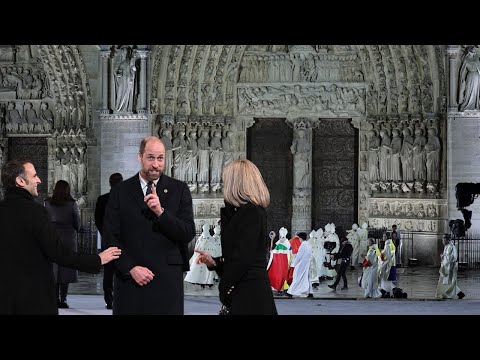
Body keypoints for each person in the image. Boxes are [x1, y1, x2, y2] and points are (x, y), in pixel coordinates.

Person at [0, 159, 121, 315]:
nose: (39, 180)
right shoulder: (36, 212)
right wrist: (97, 259)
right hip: (33, 300)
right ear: (20, 181)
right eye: (35, 176)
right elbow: (60, 254)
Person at [102, 136, 195, 315]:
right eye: (150, 158)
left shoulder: (179, 189)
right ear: (140, 157)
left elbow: (187, 232)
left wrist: (161, 213)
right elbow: (110, 236)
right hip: (130, 282)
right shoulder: (121, 191)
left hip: (166, 282)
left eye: (160, 158)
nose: (156, 164)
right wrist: (130, 268)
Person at [195, 159, 278, 315]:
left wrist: (225, 288)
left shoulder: (250, 213)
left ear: (236, 183)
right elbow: (238, 255)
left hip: (249, 292)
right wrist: (216, 263)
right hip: (248, 289)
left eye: (226, 180)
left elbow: (242, 258)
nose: (223, 184)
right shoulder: (244, 212)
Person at [44, 180, 80, 309]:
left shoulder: (48, 203)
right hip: (68, 239)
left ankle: (54, 298)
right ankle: (63, 298)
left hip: (52, 238)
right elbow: (77, 221)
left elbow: (44, 221)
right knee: (66, 269)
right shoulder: (71, 204)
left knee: (54, 269)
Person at [94, 172, 123, 309]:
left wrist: (105, 233)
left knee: (108, 270)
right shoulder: (126, 199)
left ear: (110, 183)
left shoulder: (102, 199)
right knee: (122, 269)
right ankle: (120, 298)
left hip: (108, 239)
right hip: (123, 240)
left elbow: (98, 220)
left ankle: (109, 299)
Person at [435, 234, 465, 300]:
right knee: (448, 281)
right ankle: (458, 293)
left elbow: (452, 257)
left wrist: (443, 257)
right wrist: (443, 257)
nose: (443, 241)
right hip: (446, 266)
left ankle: (450, 293)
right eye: (443, 239)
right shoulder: (447, 246)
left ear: (448, 240)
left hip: (449, 267)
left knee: (449, 281)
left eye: (444, 240)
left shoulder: (451, 247)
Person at [287, 232, 313, 298]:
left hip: (301, 264)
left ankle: (291, 291)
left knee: (296, 278)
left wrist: (294, 264)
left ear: (300, 238)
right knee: (307, 278)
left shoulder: (303, 245)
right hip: (307, 264)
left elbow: (299, 256)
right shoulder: (309, 245)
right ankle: (310, 292)